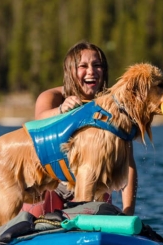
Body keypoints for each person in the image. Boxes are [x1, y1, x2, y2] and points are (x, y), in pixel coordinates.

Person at [34, 41, 137, 216]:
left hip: (95, 189)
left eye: (97, 65)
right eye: (83, 66)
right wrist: (61, 109)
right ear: (70, 71)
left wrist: (128, 213)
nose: (91, 71)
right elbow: (39, 121)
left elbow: (128, 166)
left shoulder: (113, 110)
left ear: (103, 71)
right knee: (35, 213)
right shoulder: (53, 97)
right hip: (52, 188)